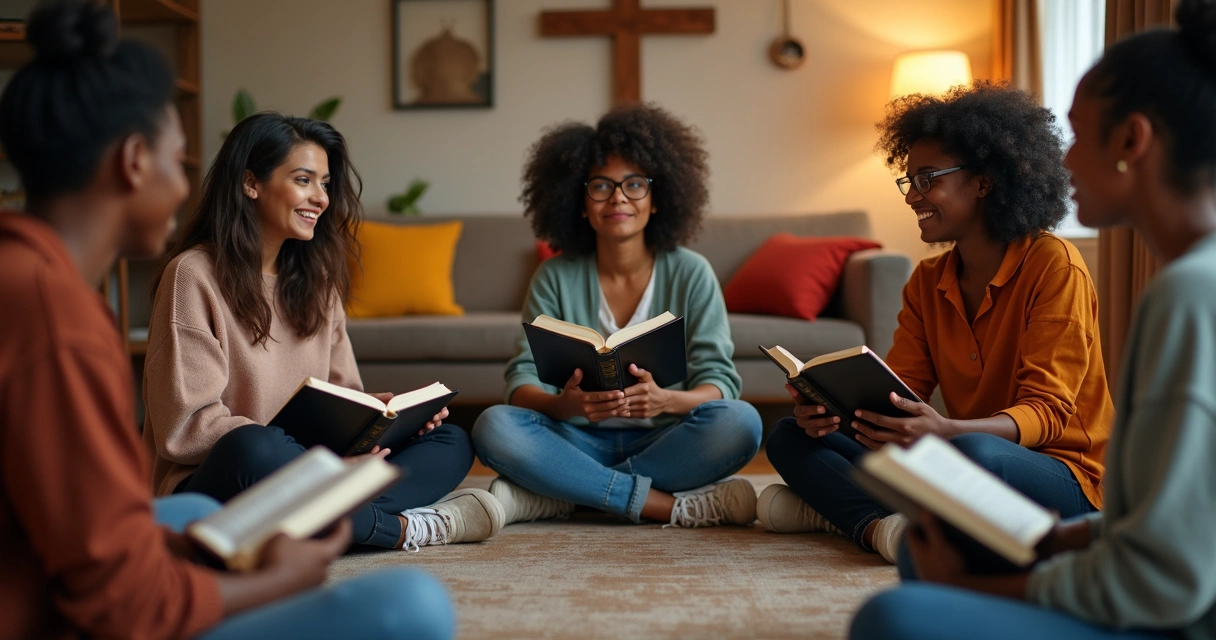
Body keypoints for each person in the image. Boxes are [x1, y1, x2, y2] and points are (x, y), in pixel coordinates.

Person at [0, 1, 453, 638]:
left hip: (260, 480)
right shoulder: (62, 319)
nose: (185, 185)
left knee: (187, 512)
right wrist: (277, 578)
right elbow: (118, 598)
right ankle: (367, 524)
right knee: (414, 606)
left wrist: (376, 415)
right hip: (100, 590)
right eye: (178, 160)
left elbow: (97, 530)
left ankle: (333, 511)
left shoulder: (32, 283)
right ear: (134, 160)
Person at [852, 0, 1216, 637]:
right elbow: (1163, 521)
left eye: (1078, 135)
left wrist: (975, 585)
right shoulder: (1189, 280)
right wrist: (1054, 544)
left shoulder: (1187, 293)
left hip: (1172, 610)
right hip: (1142, 567)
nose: (1065, 162)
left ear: (1132, 140)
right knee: (918, 544)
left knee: (894, 616)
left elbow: (1165, 580)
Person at [760, 82, 1114, 564]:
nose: (913, 197)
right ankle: (879, 528)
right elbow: (900, 394)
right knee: (789, 436)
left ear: (984, 180)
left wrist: (946, 431)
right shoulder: (927, 280)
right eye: (909, 181)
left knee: (973, 457)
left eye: (928, 179)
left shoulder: (1054, 265)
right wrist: (834, 412)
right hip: (954, 448)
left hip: (1064, 474)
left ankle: (839, 510)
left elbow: (1049, 414)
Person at [140, 109, 503, 551]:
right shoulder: (193, 275)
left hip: (314, 471)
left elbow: (343, 393)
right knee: (253, 446)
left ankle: (322, 518)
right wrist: (316, 464)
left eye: (326, 184)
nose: (321, 198)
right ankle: (402, 529)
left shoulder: (318, 282)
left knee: (451, 441)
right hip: (222, 480)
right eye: (304, 180)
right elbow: (189, 427)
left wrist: (382, 413)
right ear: (250, 183)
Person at [472, 104, 763, 528]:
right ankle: (658, 504)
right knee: (493, 426)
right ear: (580, 200)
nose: (618, 197)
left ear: (657, 197)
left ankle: (568, 494)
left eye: (634, 184)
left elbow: (720, 380)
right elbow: (521, 381)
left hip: (664, 437)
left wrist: (668, 399)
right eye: (601, 186)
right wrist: (562, 404)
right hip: (575, 439)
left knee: (741, 422)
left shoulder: (691, 271)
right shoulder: (554, 275)